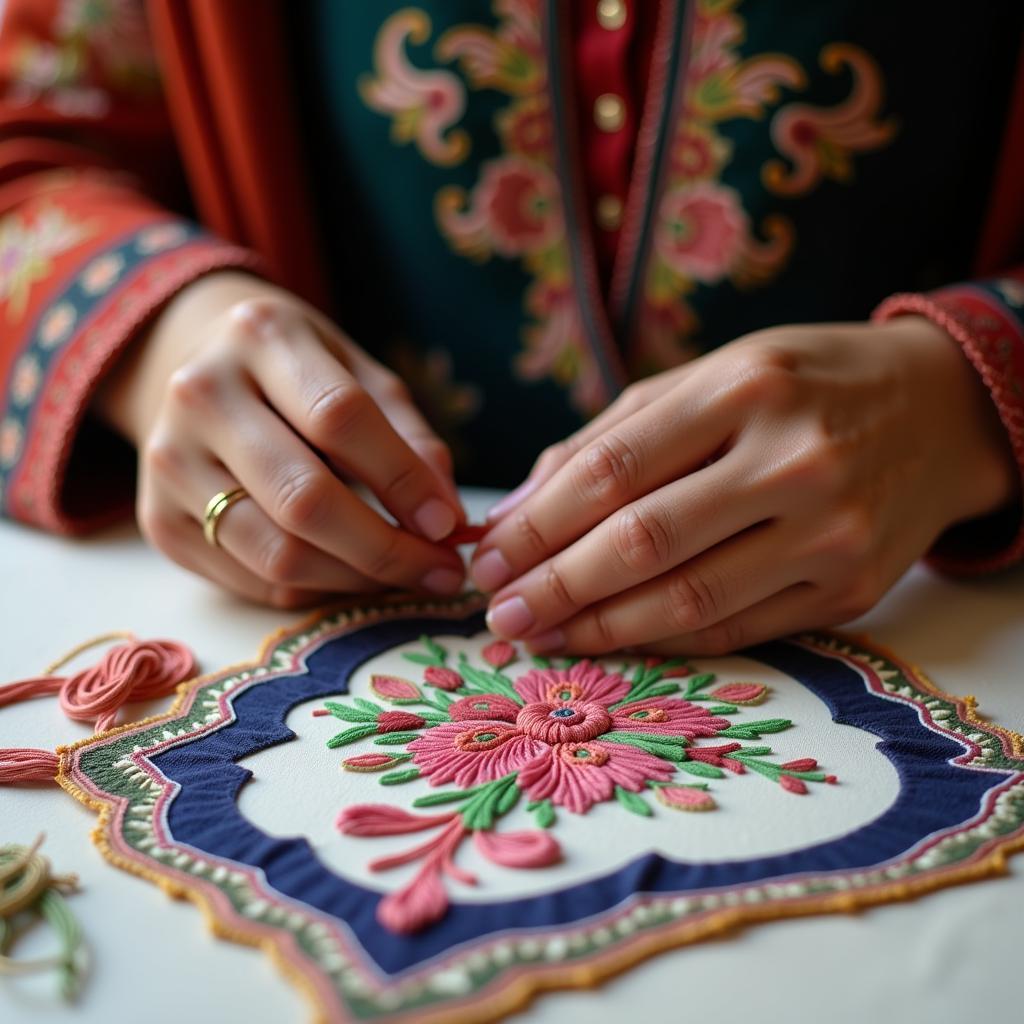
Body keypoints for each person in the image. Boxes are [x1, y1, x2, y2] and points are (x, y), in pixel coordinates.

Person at [1, 0, 1022, 657]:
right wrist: (162, 339)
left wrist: (964, 399)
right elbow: (27, 148)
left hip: (928, 614)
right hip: (324, 611)